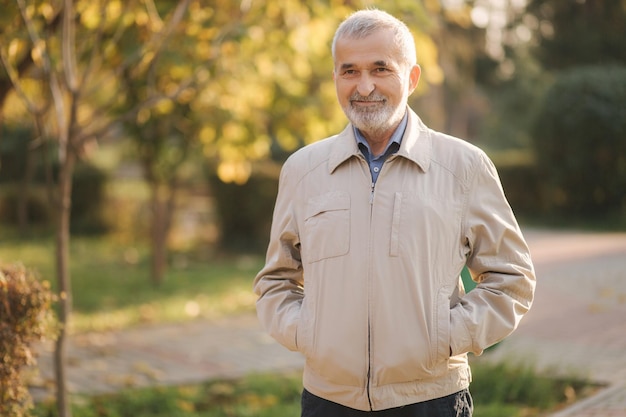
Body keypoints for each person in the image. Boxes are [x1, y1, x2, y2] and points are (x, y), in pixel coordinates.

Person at [253, 8, 536, 417]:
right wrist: (309, 334)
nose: (364, 86)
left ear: (412, 77)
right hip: (328, 401)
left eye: (380, 69)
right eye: (349, 71)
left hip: (431, 399)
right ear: (335, 78)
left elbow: (512, 280)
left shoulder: (464, 167)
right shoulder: (302, 171)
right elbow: (276, 281)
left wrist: (444, 338)